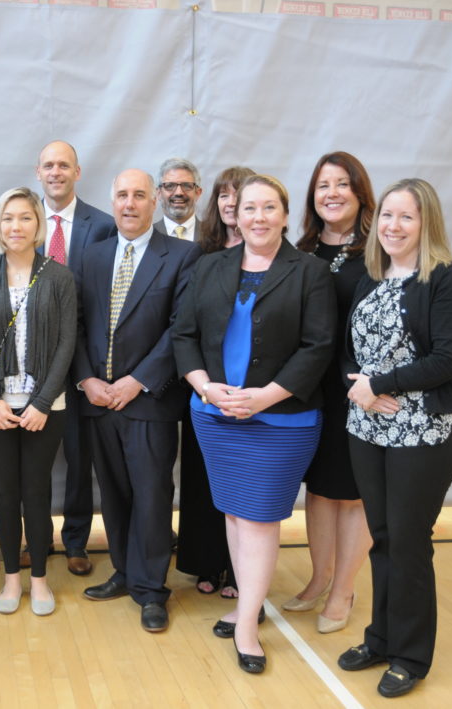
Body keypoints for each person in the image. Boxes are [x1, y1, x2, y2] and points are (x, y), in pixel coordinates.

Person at [172, 174, 335, 673]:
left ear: (286, 215)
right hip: (215, 415)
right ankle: (247, 602)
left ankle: (247, 626)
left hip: (281, 420)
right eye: (249, 208)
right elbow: (184, 334)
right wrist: (204, 386)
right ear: (234, 215)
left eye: (269, 208)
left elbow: (318, 347)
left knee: (260, 519)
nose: (258, 217)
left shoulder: (310, 272)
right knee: (235, 514)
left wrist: (264, 398)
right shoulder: (209, 267)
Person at [338, 178, 452, 698]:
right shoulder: (372, 278)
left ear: (426, 224)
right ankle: (381, 638)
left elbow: (445, 360)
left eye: (406, 218)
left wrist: (380, 384)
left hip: (423, 432)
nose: (393, 227)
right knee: (384, 538)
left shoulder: (446, 280)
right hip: (368, 425)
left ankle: (411, 656)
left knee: (410, 543)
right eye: (388, 217)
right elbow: (350, 350)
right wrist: (361, 388)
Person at [75, 169, 200, 633]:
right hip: (98, 400)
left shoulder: (184, 255)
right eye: (122, 195)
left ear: (155, 203)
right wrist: (87, 380)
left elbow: (180, 328)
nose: (130, 203)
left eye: (139, 196)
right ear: (113, 202)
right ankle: (125, 573)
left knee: (151, 496)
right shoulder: (92, 255)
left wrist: (138, 381)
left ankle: (151, 590)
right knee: (114, 493)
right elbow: (78, 324)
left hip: (149, 401)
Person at [0, 187, 76, 616]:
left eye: (25, 218)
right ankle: (12, 579)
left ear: (38, 224)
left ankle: (40, 580)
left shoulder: (59, 276)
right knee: (6, 493)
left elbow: (67, 343)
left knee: (38, 491)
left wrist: (43, 402)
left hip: (46, 406)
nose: (16, 226)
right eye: (8, 218)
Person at [283, 152, 376, 631]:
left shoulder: (380, 247)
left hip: (359, 390)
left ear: (360, 192)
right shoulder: (298, 249)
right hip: (307, 388)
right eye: (323, 185)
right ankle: (318, 580)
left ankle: (344, 591)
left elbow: (419, 291)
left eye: (342, 184)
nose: (332, 193)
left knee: (353, 493)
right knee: (318, 490)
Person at [31, 140, 115, 576]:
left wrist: (86, 368)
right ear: (38, 172)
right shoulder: (24, 222)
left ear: (77, 172)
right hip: (32, 366)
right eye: (49, 165)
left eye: (64, 165)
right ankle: (37, 537)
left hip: (84, 364)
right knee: (36, 458)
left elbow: (104, 302)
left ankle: (77, 541)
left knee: (80, 458)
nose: (56, 172)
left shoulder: (102, 225)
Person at [175, 165, 254, 599]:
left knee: (243, 483)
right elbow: (185, 324)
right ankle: (207, 562)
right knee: (203, 479)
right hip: (206, 386)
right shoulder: (200, 255)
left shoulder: (276, 255)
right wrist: (204, 382)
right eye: (224, 195)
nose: (229, 203)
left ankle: (240, 570)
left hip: (252, 391)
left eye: (237, 195)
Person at [153, 157, 203, 241]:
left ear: (197, 193)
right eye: (170, 186)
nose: (179, 192)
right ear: (159, 193)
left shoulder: (214, 235)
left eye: (186, 185)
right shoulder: (147, 237)